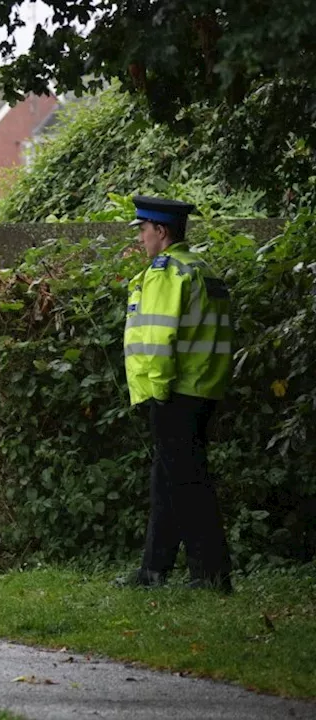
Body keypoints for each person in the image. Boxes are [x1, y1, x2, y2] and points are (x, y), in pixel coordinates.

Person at [117, 195, 234, 593]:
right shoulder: (202, 268)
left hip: (174, 390)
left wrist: (158, 390)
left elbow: (159, 338)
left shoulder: (167, 273)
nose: (141, 239)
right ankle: (153, 569)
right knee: (167, 479)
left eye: (143, 230)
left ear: (161, 232)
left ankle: (211, 574)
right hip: (204, 387)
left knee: (187, 483)